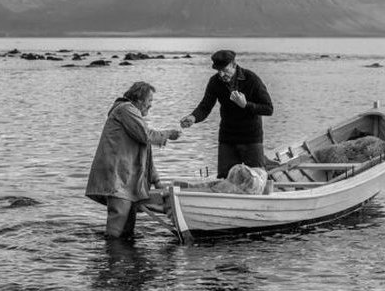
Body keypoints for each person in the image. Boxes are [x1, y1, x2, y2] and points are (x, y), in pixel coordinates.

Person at [86, 81, 181, 238]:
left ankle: (120, 256)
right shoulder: (126, 109)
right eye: (149, 100)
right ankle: (113, 255)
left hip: (126, 179)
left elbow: (146, 151)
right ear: (139, 99)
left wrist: (156, 181)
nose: (151, 105)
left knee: (127, 229)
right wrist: (169, 133)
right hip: (118, 177)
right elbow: (146, 136)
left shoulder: (131, 113)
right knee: (117, 228)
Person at [180, 50, 273, 178]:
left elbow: (268, 109)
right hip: (227, 139)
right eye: (218, 71)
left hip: (251, 139)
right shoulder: (215, 82)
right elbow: (205, 107)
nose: (221, 74)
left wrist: (246, 105)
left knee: (257, 179)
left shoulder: (251, 79)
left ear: (234, 65)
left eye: (224, 70)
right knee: (225, 179)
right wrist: (193, 117)